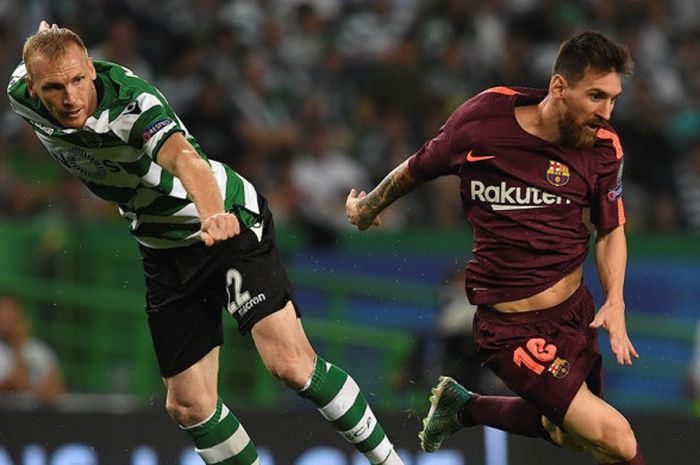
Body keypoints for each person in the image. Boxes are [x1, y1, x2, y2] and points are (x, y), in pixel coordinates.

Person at [7, 22, 404, 465]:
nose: (70, 97)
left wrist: (215, 214)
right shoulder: (21, 93)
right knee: (189, 405)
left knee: (290, 365)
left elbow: (185, 160)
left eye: (79, 80)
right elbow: (42, 56)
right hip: (161, 247)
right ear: (34, 86)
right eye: (55, 87)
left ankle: (390, 461)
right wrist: (47, 37)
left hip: (225, 223)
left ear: (92, 71)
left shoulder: (133, 106)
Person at [346, 30, 646, 465]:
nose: (606, 112)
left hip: (574, 316)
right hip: (511, 330)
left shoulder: (602, 148)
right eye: (596, 96)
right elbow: (419, 166)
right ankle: (465, 406)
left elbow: (612, 229)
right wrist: (368, 207)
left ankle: (463, 406)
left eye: (614, 99)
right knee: (617, 439)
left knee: (567, 434)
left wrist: (615, 300)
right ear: (559, 87)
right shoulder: (484, 121)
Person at [0, 295, 64, 406]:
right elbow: (15, 386)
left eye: (12, 316)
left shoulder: (38, 350)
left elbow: (55, 391)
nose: (8, 322)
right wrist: (18, 347)